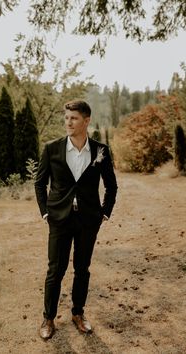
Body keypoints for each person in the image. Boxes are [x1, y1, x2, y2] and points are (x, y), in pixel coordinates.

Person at [35, 100, 117, 340]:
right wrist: (45, 212)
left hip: (88, 220)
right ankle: (48, 318)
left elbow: (111, 186)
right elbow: (40, 183)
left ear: (86, 121)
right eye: (66, 118)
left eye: (74, 118)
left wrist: (104, 212)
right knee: (55, 271)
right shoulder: (52, 148)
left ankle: (78, 314)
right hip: (59, 219)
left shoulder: (101, 150)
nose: (68, 122)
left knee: (82, 269)